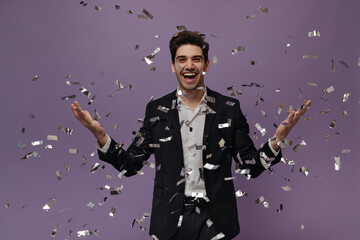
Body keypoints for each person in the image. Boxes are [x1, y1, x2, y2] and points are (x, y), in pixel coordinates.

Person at [71, 31, 311, 240]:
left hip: (216, 221)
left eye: (196, 59)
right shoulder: (157, 111)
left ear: (206, 65)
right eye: (181, 59)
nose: (189, 65)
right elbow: (132, 164)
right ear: (173, 66)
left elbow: (251, 166)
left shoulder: (229, 108)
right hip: (170, 222)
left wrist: (278, 138)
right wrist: (101, 136)